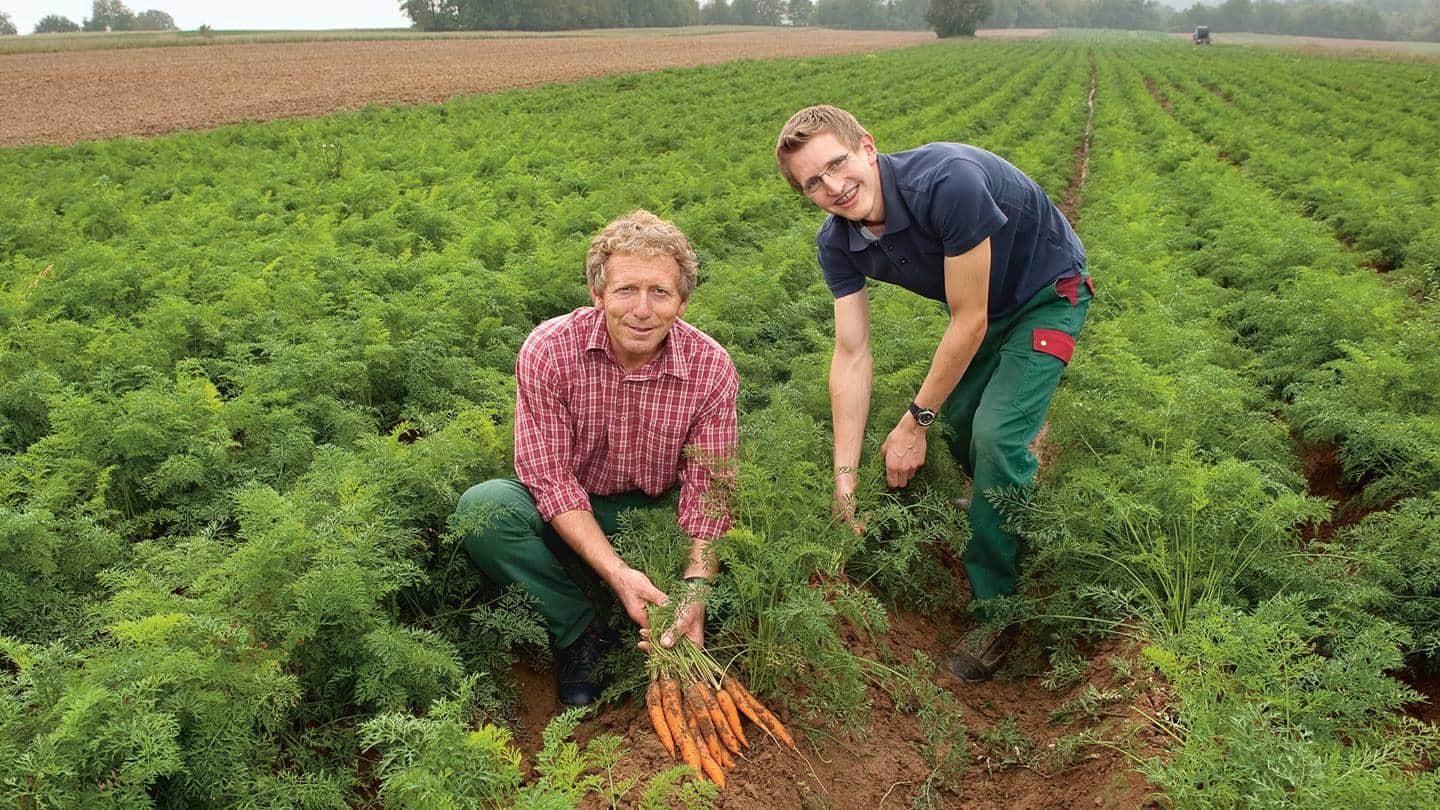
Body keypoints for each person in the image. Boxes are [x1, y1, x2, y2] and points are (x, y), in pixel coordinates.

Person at [774, 105, 1092, 682]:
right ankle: (1003, 498)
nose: (834, 187)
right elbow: (850, 354)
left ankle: (998, 608)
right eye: (813, 183)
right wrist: (844, 473)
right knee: (965, 429)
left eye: (838, 164)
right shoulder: (838, 243)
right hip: (981, 309)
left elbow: (967, 322)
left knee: (995, 437)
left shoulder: (947, 183)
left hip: (1047, 294)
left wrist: (912, 420)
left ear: (867, 146)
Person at [454, 210, 738, 706]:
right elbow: (549, 479)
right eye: (626, 290)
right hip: (575, 506)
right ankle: (579, 630)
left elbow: (710, 494)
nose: (642, 310)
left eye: (660, 292)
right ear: (598, 294)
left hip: (658, 514)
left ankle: (679, 614)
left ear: (683, 301)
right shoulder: (549, 349)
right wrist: (616, 572)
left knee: (729, 569)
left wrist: (696, 586)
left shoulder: (710, 367)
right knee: (484, 509)